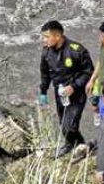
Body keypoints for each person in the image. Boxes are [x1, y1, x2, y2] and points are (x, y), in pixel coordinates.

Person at [38, 20, 94, 157]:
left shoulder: (76, 50)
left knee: (70, 126)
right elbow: (45, 74)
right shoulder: (46, 53)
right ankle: (71, 144)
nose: (43, 40)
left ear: (57, 36)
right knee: (63, 123)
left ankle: (81, 145)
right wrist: (43, 92)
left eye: (46, 36)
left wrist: (74, 86)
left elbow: (89, 72)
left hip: (76, 93)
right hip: (60, 93)